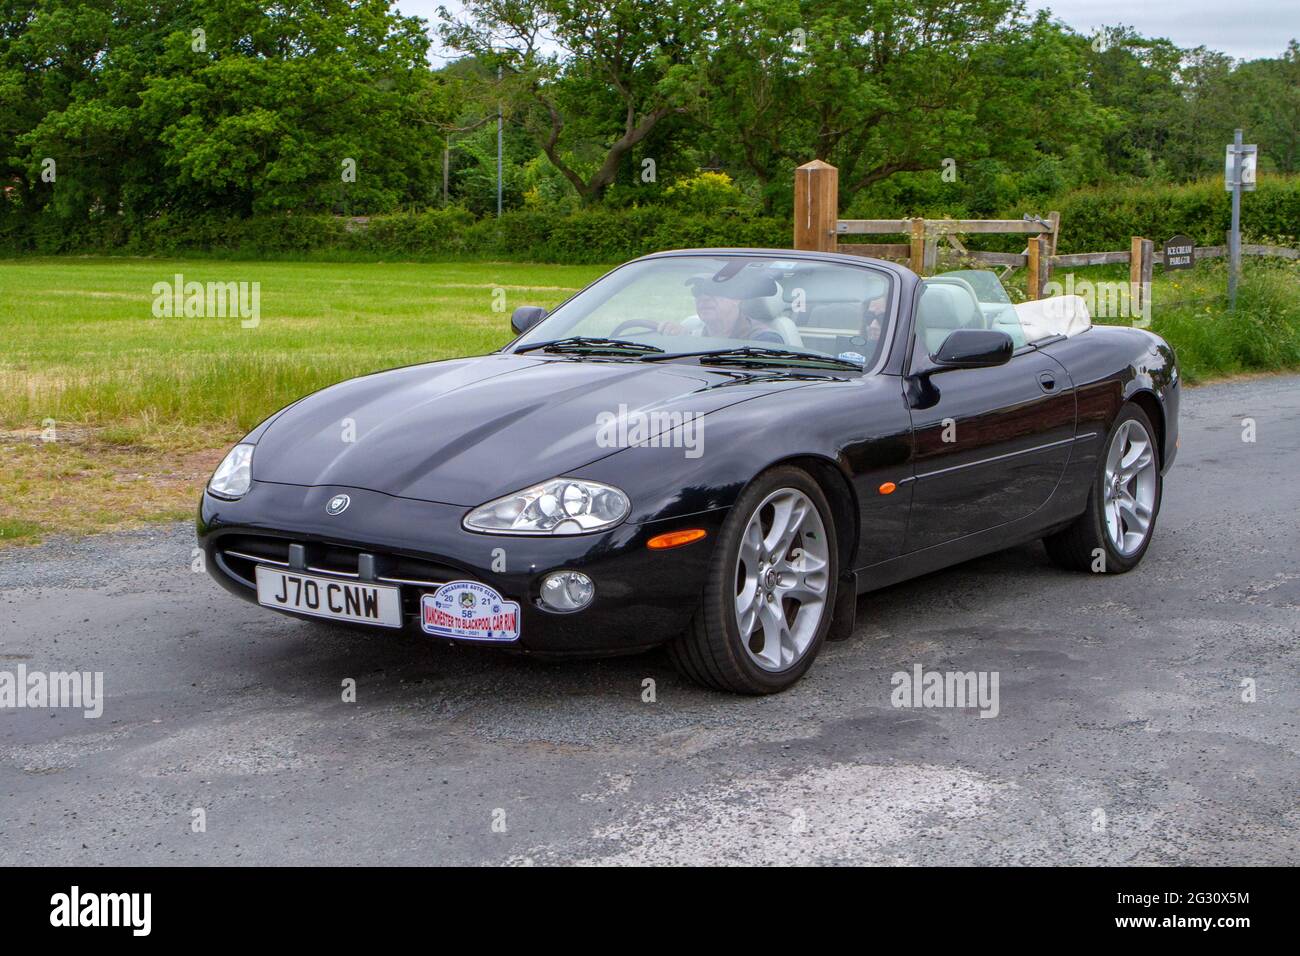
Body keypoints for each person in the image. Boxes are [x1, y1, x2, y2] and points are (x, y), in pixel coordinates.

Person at [658, 272, 785, 344]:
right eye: (697, 291)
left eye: (714, 289)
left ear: (737, 298)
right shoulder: (692, 331)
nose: (704, 297)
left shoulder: (764, 339)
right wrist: (679, 342)